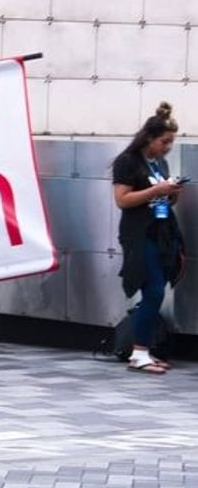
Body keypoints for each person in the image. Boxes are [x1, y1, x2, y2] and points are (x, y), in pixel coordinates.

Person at [112, 101, 185, 374]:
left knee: (156, 289)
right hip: (138, 233)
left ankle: (143, 349)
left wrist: (171, 192)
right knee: (152, 289)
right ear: (150, 138)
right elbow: (122, 200)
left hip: (162, 231)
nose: (167, 147)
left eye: (171, 142)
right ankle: (139, 352)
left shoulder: (160, 163)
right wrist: (156, 191)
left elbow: (162, 198)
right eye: (164, 141)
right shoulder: (128, 161)